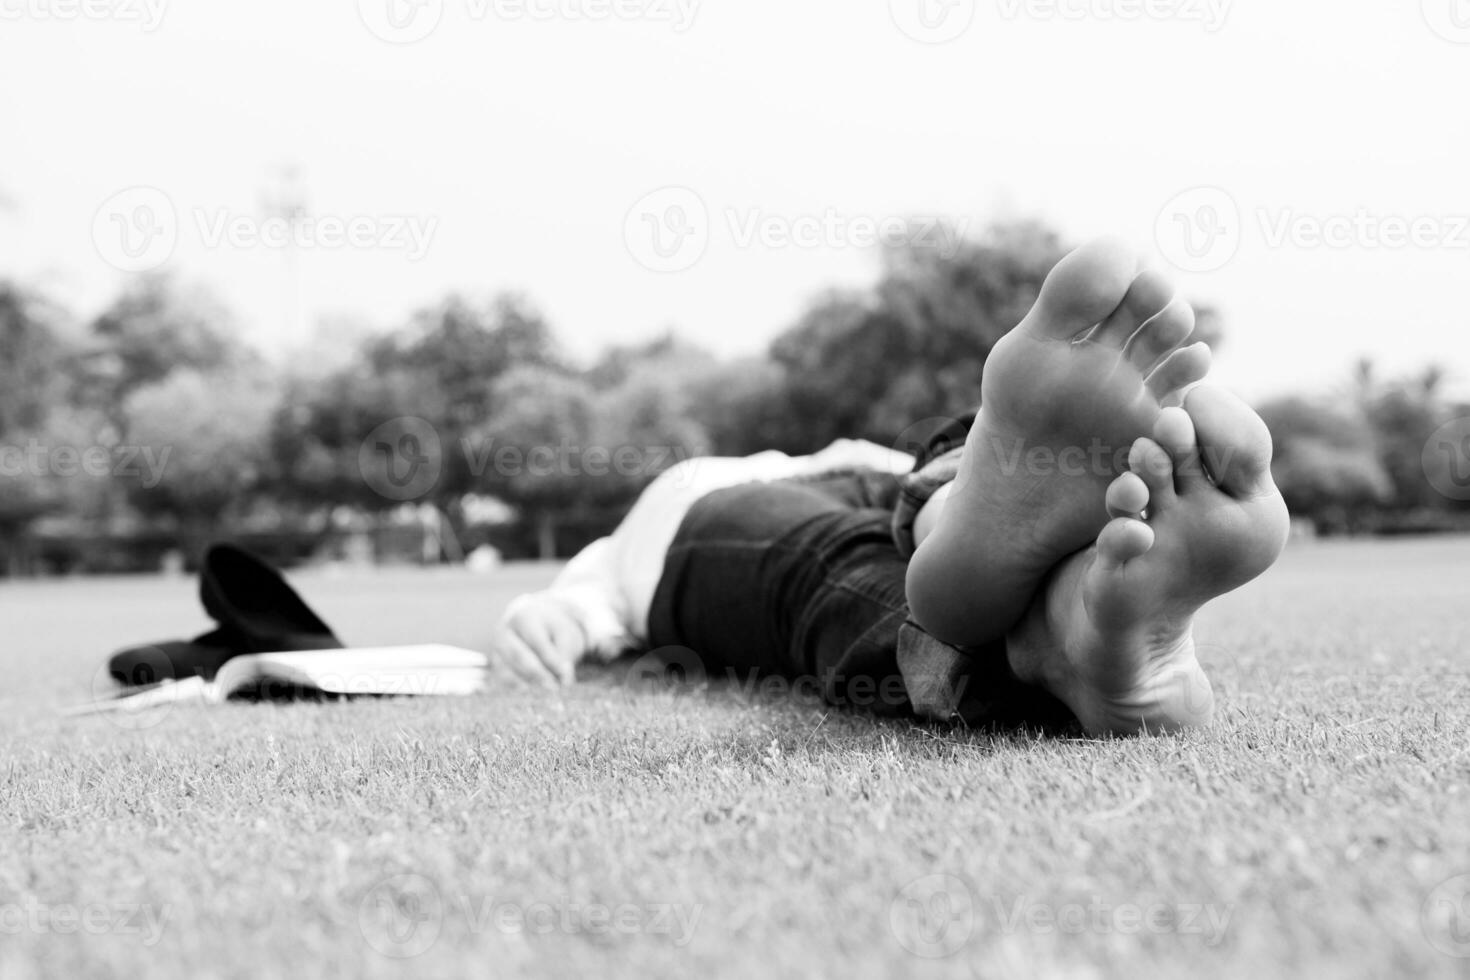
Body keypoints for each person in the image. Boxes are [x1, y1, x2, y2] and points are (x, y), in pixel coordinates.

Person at [484, 238, 1291, 736]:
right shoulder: (658, 519)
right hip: (770, 501)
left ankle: (1038, 609)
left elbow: (583, 593)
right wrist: (548, 614)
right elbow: (570, 609)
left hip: (790, 499)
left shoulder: (697, 490)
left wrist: (551, 608)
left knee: (889, 523)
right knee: (876, 532)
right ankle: (1052, 618)